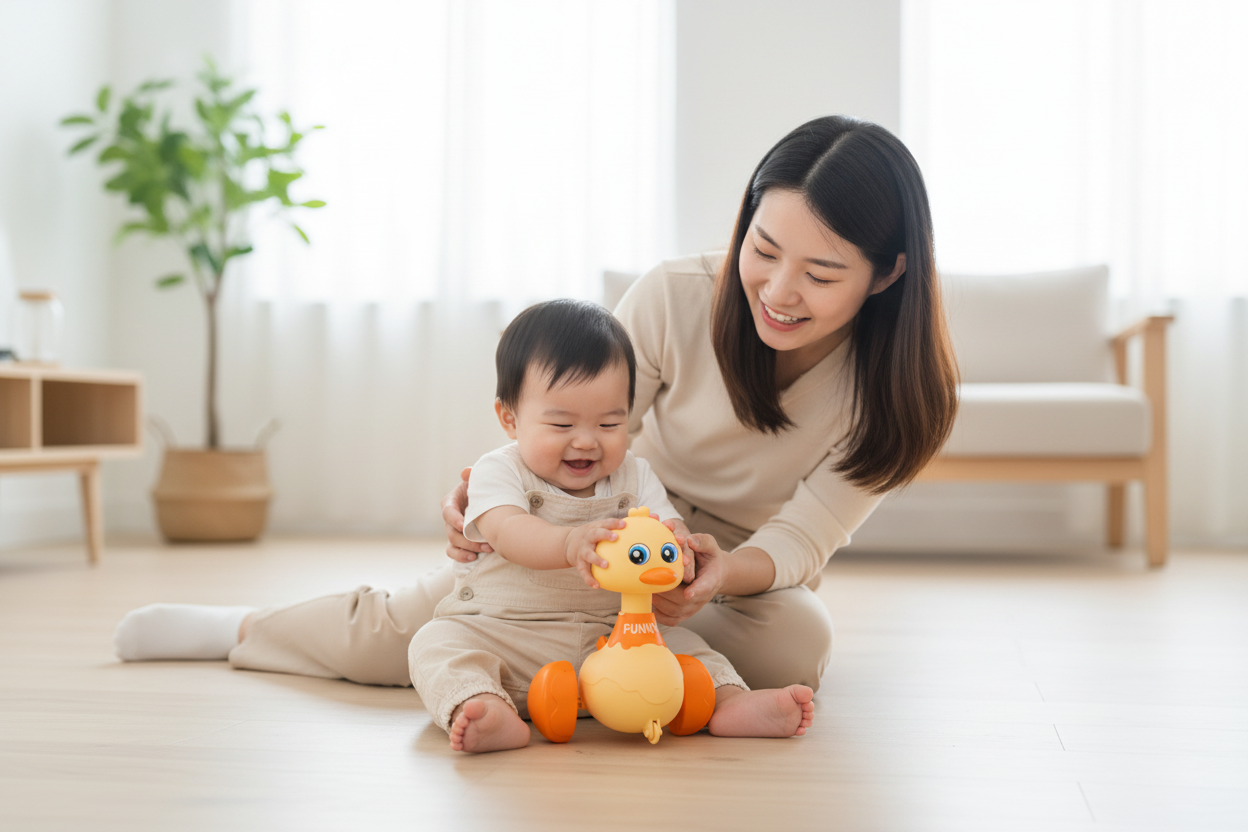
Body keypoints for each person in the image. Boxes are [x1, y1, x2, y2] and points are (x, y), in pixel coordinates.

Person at [113, 114, 957, 700]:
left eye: (820, 274)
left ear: (888, 274)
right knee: (413, 628)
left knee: (795, 647)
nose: (777, 290)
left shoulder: (899, 396)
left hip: (732, 569)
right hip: (597, 523)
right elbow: (573, 417)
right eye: (763, 250)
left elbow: (804, 538)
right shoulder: (675, 295)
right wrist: (495, 497)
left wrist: (715, 573)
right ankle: (245, 630)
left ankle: (569, 668)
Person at [409, 298, 814, 751]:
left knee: (688, 645)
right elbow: (507, 530)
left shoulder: (635, 476)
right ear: (509, 418)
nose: (586, 440)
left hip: (621, 639)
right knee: (436, 642)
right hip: (510, 636)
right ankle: (484, 705)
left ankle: (730, 702)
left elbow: (667, 528)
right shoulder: (496, 471)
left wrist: (680, 551)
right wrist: (569, 543)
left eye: (609, 422)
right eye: (561, 423)